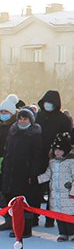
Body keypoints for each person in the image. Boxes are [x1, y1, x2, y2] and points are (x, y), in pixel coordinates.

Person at [1, 107, 42, 238]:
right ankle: (11, 223)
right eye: (20, 118)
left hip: (25, 173)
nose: (22, 121)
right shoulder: (12, 132)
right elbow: (7, 151)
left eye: (25, 119)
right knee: (10, 199)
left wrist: (32, 173)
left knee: (24, 201)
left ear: (30, 120)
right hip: (10, 171)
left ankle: (25, 229)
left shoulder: (35, 134)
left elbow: (37, 157)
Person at [36, 90, 73, 227]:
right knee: (37, 186)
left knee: (53, 188)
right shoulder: (38, 116)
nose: (48, 105)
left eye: (51, 102)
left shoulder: (62, 119)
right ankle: (34, 216)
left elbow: (66, 138)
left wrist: (60, 152)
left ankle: (50, 218)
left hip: (55, 157)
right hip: (38, 156)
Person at [37, 132, 74, 242]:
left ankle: (73, 234)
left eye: (60, 150)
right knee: (59, 215)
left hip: (68, 194)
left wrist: (73, 192)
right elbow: (48, 174)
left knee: (70, 215)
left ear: (66, 150)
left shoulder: (72, 162)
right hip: (55, 194)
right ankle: (62, 233)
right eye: (55, 149)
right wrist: (37, 180)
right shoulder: (52, 162)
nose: (57, 152)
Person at [0, 94, 19, 231]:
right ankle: (6, 217)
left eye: (5, 111)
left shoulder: (16, 127)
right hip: (1, 163)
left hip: (12, 164)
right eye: (1, 111)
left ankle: (12, 219)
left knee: (9, 192)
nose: (3, 114)